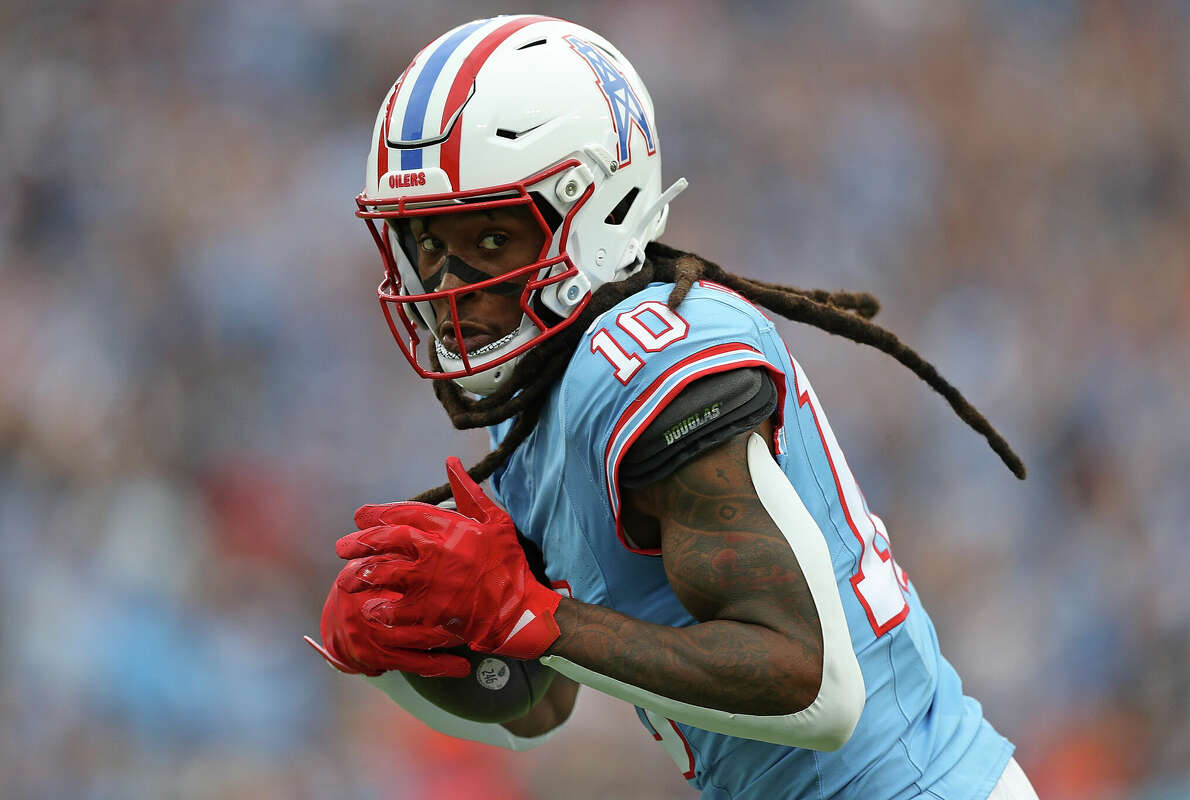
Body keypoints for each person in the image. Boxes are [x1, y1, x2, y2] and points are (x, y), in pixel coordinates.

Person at [308, 14, 1040, 799]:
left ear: (594, 208)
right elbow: (537, 702)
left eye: (489, 240)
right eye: (428, 242)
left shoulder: (647, 363)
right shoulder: (541, 388)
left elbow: (817, 685)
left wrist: (531, 613)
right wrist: (398, 650)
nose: (449, 285)